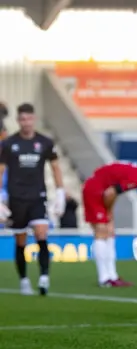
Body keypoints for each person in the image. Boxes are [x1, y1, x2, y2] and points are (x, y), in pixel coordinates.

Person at [0, 103, 66, 296]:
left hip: (38, 196)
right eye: (22, 119)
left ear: (34, 119)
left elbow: (55, 166)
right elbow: (1, 169)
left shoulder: (45, 142)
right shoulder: (9, 144)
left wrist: (60, 191)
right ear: (18, 120)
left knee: (41, 234)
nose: (26, 122)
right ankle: (24, 281)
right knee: (20, 241)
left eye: (29, 118)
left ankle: (44, 277)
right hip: (16, 198)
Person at [82, 161, 137, 287]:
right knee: (101, 232)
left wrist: (109, 212)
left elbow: (113, 191)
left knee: (110, 233)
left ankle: (112, 275)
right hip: (95, 191)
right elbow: (109, 193)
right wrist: (109, 212)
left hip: (98, 189)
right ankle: (104, 278)